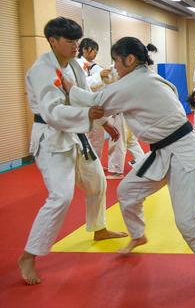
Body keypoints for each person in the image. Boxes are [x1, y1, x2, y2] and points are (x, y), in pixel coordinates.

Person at [63, 37, 195, 292]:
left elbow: (96, 102)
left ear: (130, 59)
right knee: (127, 192)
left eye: (116, 61)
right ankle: (138, 235)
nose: (115, 66)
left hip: (184, 153)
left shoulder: (136, 82)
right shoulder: (149, 78)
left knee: (188, 220)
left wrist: (69, 87)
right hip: (162, 152)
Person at [18, 17, 126, 286]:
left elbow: (83, 96)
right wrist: (89, 116)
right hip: (52, 138)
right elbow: (52, 112)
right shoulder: (42, 70)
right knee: (61, 197)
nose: (76, 46)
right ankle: (29, 255)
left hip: (77, 135)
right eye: (70, 41)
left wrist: (104, 122)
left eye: (77, 40)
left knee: (97, 182)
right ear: (53, 41)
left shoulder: (75, 65)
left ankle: (99, 229)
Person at [76, 38, 114, 158]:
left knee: (97, 137)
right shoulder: (77, 64)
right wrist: (99, 76)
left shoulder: (93, 66)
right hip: (82, 107)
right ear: (84, 50)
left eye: (97, 51)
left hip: (95, 105)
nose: (95, 53)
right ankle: (88, 163)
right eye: (94, 50)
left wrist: (104, 76)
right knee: (86, 138)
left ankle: (96, 162)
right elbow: (81, 85)